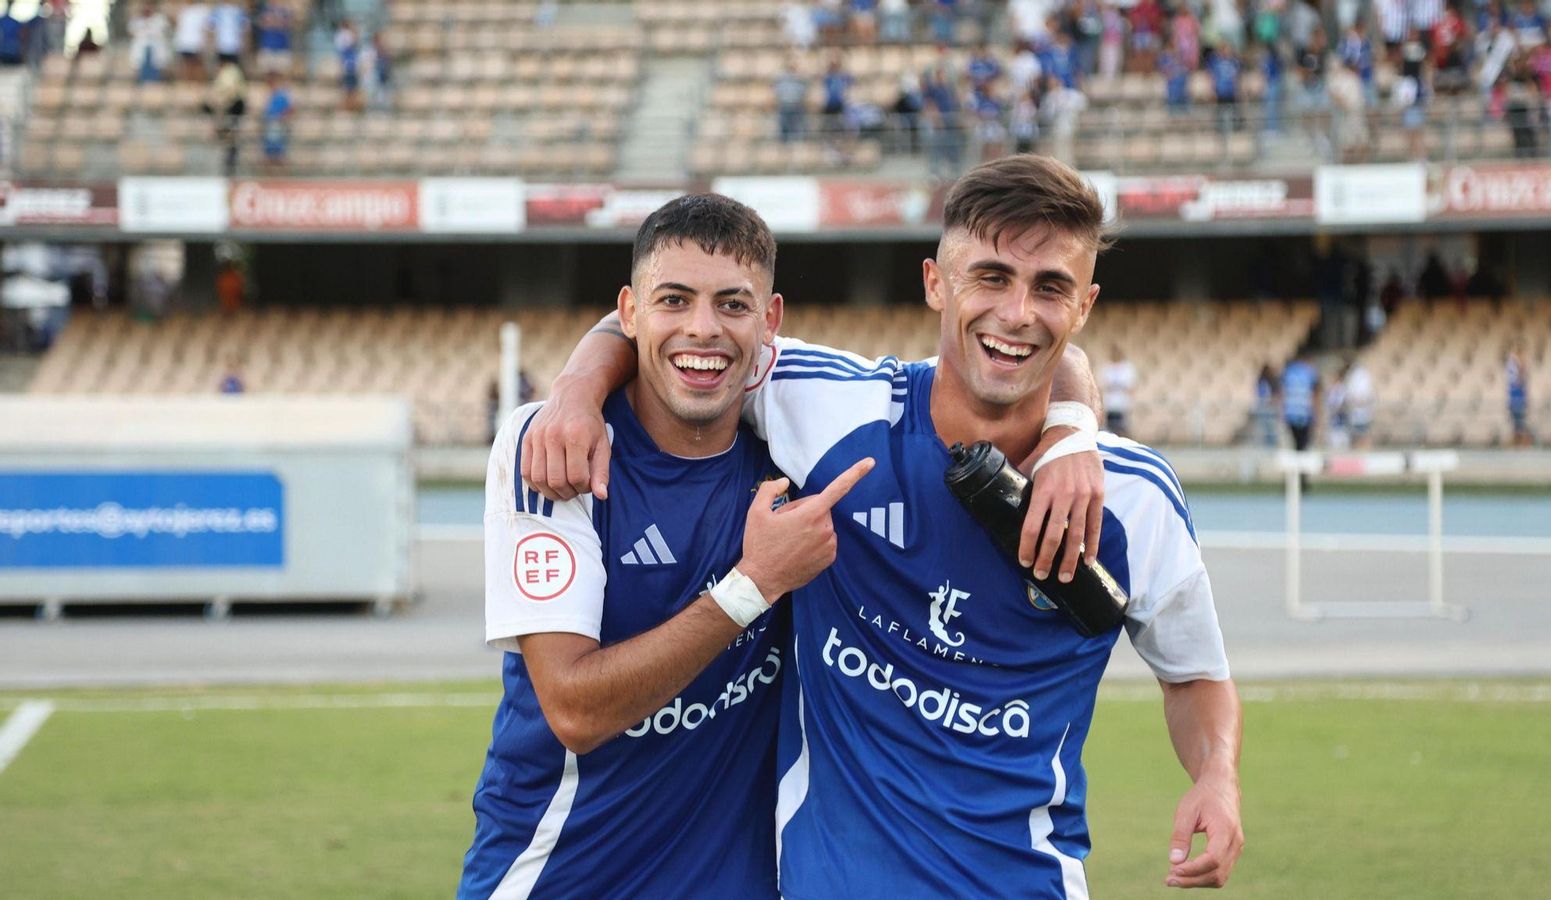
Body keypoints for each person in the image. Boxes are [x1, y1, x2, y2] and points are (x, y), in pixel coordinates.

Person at [523, 155, 1243, 896]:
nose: (1018, 312)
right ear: (935, 283)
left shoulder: (1136, 500)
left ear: (1085, 306)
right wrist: (575, 388)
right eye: (990, 277)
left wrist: (1216, 776)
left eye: (1051, 288)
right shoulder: (828, 407)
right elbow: (677, 326)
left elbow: (1195, 677)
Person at [458, 194, 874, 899]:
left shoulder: (797, 445)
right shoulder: (560, 447)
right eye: (673, 300)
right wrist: (752, 586)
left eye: (733, 305)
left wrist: (1069, 423)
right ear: (629, 312)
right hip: (560, 878)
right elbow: (575, 710)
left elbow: (972, 376)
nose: (702, 329)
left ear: (770, 321)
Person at [1281, 349, 1319, 451]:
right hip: (1305, 412)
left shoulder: (1288, 371)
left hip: (1291, 412)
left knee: (1297, 444)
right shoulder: (1310, 371)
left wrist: (1282, 412)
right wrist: (1317, 412)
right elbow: (1315, 393)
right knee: (1304, 444)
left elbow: (1283, 393)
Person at [1099, 343, 1136, 436]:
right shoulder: (1107, 368)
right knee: (1110, 429)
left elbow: (1131, 387)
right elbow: (1103, 385)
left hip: (1122, 404)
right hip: (1110, 403)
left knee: (1122, 428)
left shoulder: (1127, 368)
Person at [1506, 341, 1531, 447]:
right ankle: (1517, 442)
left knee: (1521, 422)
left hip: (1520, 397)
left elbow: (1523, 383)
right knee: (1517, 423)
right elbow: (1516, 381)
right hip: (1515, 398)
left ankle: (1521, 443)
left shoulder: (1521, 366)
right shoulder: (1512, 366)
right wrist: (1521, 368)